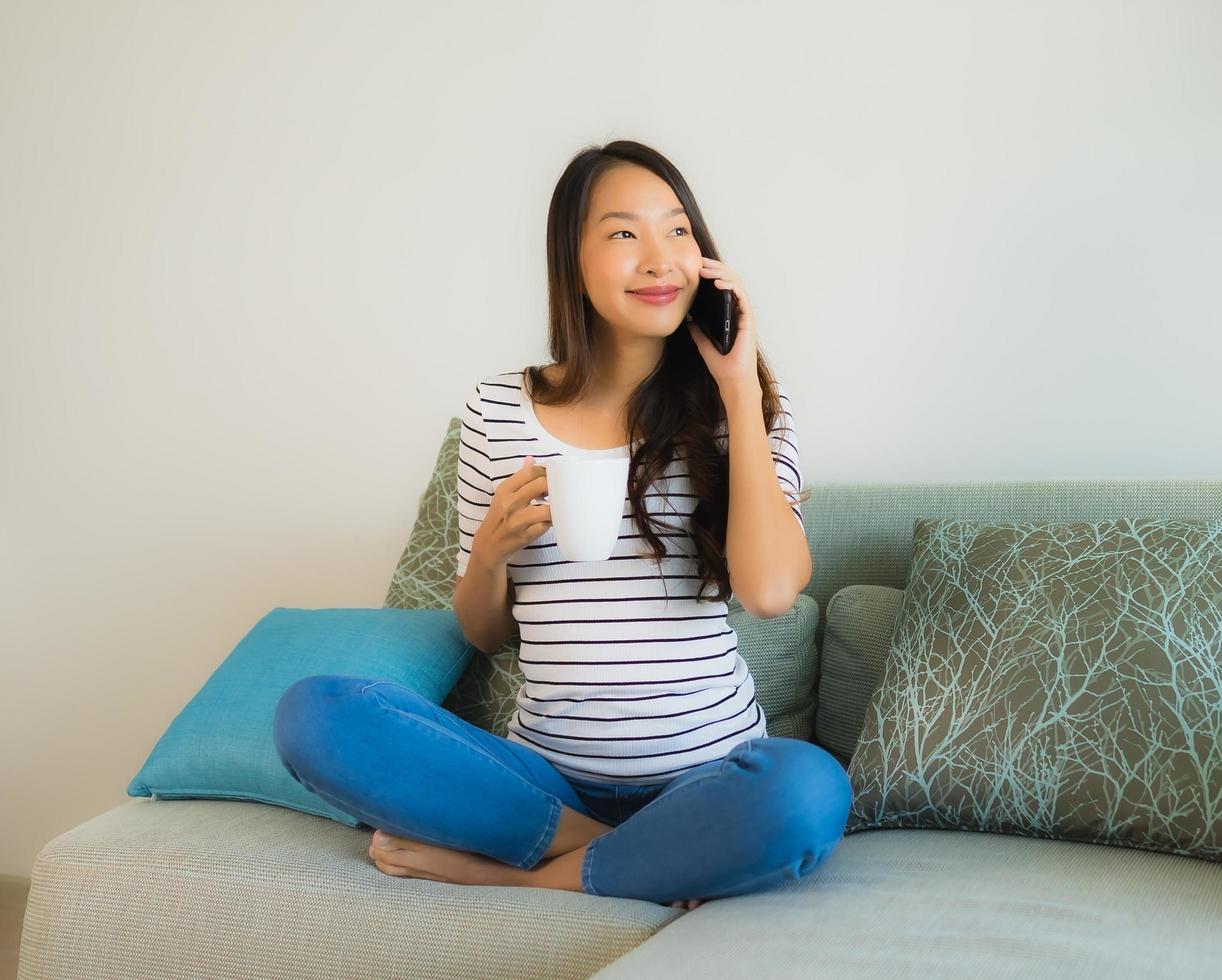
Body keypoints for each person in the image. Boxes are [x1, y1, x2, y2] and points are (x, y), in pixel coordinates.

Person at [273, 139, 853, 909]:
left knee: (808, 790)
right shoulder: (498, 409)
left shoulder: (744, 412)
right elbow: (486, 633)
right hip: (541, 781)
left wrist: (737, 385)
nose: (659, 258)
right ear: (570, 260)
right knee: (316, 714)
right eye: (623, 234)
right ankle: (624, 856)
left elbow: (772, 591)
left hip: (711, 777)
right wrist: (488, 553)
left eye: (678, 231)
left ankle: (515, 869)